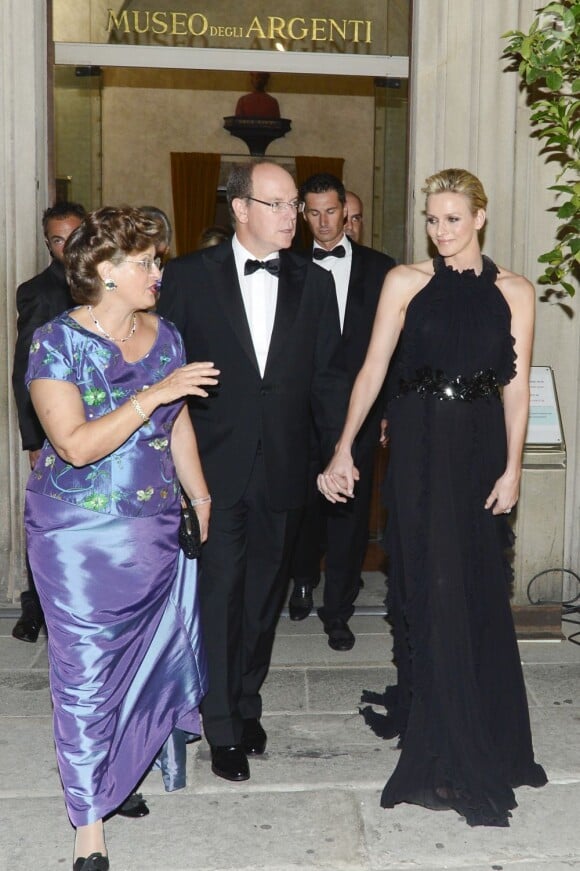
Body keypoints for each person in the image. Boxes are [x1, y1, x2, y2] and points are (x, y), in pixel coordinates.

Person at [319, 168, 547, 827]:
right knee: (435, 586)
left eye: (453, 218)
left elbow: (517, 388)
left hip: (478, 447)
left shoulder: (515, 291)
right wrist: (343, 448)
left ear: (480, 216)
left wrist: (514, 470)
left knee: (474, 590)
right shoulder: (405, 283)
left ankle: (487, 733)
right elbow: (371, 370)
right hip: (418, 445)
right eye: (432, 218)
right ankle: (445, 751)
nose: (441, 230)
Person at [24, 206, 219, 870]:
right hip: (78, 536)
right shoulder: (55, 342)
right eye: (145, 262)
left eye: (158, 259)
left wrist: (199, 491)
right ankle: (88, 825)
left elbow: (178, 421)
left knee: (143, 665)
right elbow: (74, 445)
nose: (158, 271)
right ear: (105, 271)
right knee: (85, 676)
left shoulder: (166, 335)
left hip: (155, 530)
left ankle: (119, 773)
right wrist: (153, 393)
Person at [157, 159, 348, 783]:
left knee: (265, 597)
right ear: (239, 209)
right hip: (212, 468)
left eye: (295, 204)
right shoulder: (186, 278)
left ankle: (245, 700)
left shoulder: (314, 282)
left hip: (286, 467)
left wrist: (335, 454)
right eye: (278, 204)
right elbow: (163, 375)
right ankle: (220, 726)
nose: (293, 216)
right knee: (219, 594)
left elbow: (325, 379)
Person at [288, 173, 395, 652]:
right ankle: (303, 579)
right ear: (301, 213)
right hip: (297, 411)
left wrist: (389, 408)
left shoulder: (380, 269)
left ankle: (339, 610)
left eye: (331, 211)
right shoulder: (284, 267)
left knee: (350, 516)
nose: (323, 222)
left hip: (360, 409)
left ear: (347, 212)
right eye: (313, 212)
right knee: (302, 507)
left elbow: (395, 348)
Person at [11, 200, 86, 643]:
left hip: (101, 421)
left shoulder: (105, 281)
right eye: (58, 239)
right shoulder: (39, 291)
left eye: (74, 236)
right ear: (48, 243)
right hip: (55, 428)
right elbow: (27, 372)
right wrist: (34, 438)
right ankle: (35, 607)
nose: (67, 246)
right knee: (49, 521)